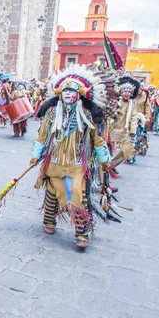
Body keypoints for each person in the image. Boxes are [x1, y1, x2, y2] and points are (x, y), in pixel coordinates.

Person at [31, 65, 111, 249]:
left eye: (72, 90)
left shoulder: (87, 114)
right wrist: (36, 155)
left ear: (79, 94)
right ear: (59, 94)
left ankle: (81, 232)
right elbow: (43, 135)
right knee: (53, 192)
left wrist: (104, 160)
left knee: (78, 195)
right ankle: (49, 220)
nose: (67, 94)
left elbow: (97, 139)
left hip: (77, 163)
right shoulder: (52, 113)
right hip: (55, 161)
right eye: (64, 90)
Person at [109, 77, 139, 168]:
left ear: (131, 93)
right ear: (121, 92)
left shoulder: (132, 104)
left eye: (129, 92)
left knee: (127, 151)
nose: (126, 94)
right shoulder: (115, 102)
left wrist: (133, 130)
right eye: (124, 92)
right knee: (110, 149)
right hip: (112, 129)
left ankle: (112, 166)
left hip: (124, 130)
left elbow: (134, 117)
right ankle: (107, 166)